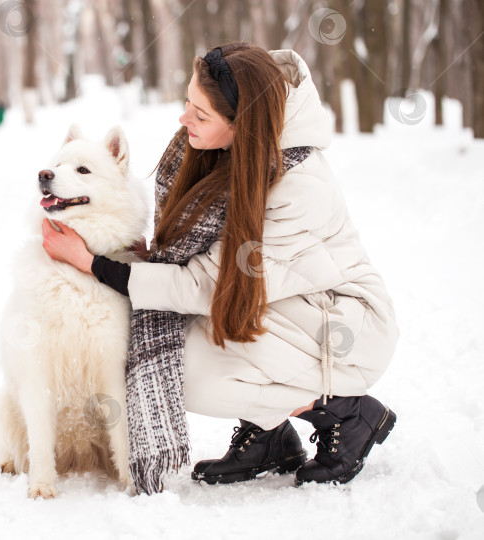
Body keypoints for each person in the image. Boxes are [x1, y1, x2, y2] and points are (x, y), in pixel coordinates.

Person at [41, 42, 398, 491]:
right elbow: (193, 258)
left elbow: (204, 284)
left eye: (200, 114)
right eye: (188, 102)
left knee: (179, 370)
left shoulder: (299, 186)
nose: (183, 119)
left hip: (339, 323)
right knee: (170, 340)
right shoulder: (225, 147)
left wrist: (91, 263)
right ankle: (269, 435)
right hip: (283, 302)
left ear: (241, 123)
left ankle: (346, 411)